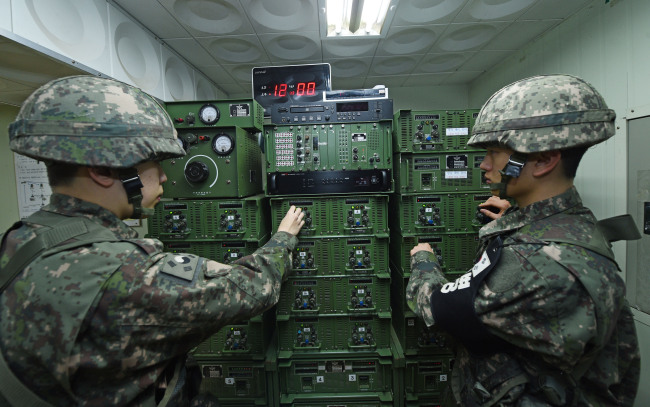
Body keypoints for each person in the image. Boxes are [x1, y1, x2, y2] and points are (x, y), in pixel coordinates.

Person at [0, 75, 305, 406]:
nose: (163, 177)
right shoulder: (131, 275)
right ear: (104, 170)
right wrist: (282, 239)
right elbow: (254, 289)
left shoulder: (19, 241)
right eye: (153, 164)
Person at [407, 74, 640, 406]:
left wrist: (424, 260)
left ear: (544, 160)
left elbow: (435, 307)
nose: (484, 165)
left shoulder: (532, 262)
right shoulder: (574, 225)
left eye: (493, 153)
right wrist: (511, 222)